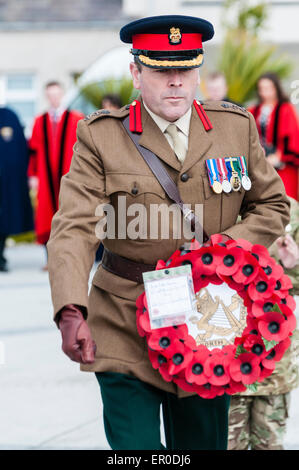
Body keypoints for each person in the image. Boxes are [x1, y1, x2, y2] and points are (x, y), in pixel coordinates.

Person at [47, 15, 290, 450]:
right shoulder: (100, 136)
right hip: (122, 322)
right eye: (162, 70)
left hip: (208, 327)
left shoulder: (236, 127)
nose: (175, 82)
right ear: (136, 73)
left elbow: (273, 204)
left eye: (186, 69)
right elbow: (74, 225)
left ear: (197, 73)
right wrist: (70, 308)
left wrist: (223, 252)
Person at [228, 197, 299, 450]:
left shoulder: (288, 209)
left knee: (269, 445)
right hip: (226, 361)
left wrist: (293, 265)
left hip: (273, 362)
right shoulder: (219, 205)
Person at [28, 81, 84, 269]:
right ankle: (50, 259)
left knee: (70, 216)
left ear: (62, 95)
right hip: (46, 178)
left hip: (70, 177)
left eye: (56, 94)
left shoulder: (76, 119)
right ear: (47, 97)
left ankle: (70, 259)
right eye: (50, 95)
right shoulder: (39, 121)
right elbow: (33, 151)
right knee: (47, 218)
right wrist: (33, 175)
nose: (54, 98)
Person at [248, 73, 299, 201]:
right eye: (262, 88)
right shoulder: (253, 110)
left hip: (283, 165)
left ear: (276, 88)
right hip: (261, 164)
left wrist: (279, 156)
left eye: (268, 88)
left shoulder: (286, 109)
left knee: (285, 200)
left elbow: (292, 137)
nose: (265, 92)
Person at [0, 107, 33, 272]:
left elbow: (21, 149)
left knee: (3, 220)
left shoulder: (8, 116)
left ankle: (1, 256)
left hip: (6, 183)